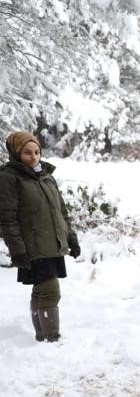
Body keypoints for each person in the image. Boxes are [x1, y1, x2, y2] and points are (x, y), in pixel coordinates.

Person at [1, 131, 80, 342]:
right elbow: (7, 219)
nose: (33, 157)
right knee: (50, 291)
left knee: (41, 291)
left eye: (36, 152)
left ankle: (42, 337)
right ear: (16, 153)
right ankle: (51, 338)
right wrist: (17, 249)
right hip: (33, 245)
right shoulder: (9, 178)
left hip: (52, 242)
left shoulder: (46, 176)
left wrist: (70, 237)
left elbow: (60, 212)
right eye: (27, 153)